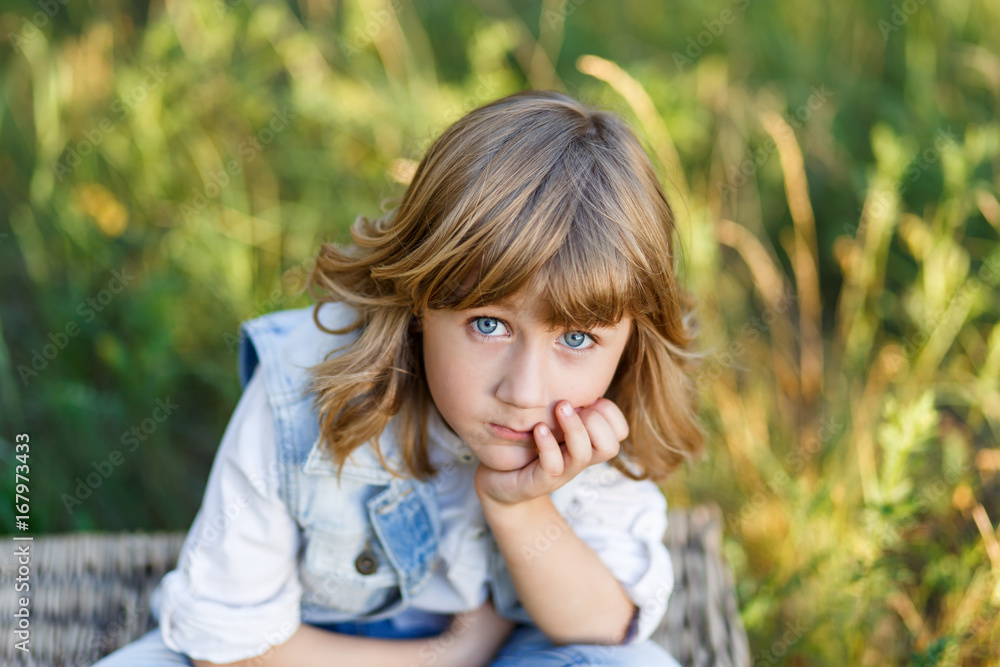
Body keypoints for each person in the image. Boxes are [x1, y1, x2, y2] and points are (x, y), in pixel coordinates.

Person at [94, 89, 706, 667]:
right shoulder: (303, 384)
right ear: (419, 303)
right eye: (488, 325)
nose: (523, 392)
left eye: (576, 339)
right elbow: (223, 646)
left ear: (630, 343)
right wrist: (449, 658)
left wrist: (518, 508)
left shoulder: (599, 424)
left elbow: (603, 630)